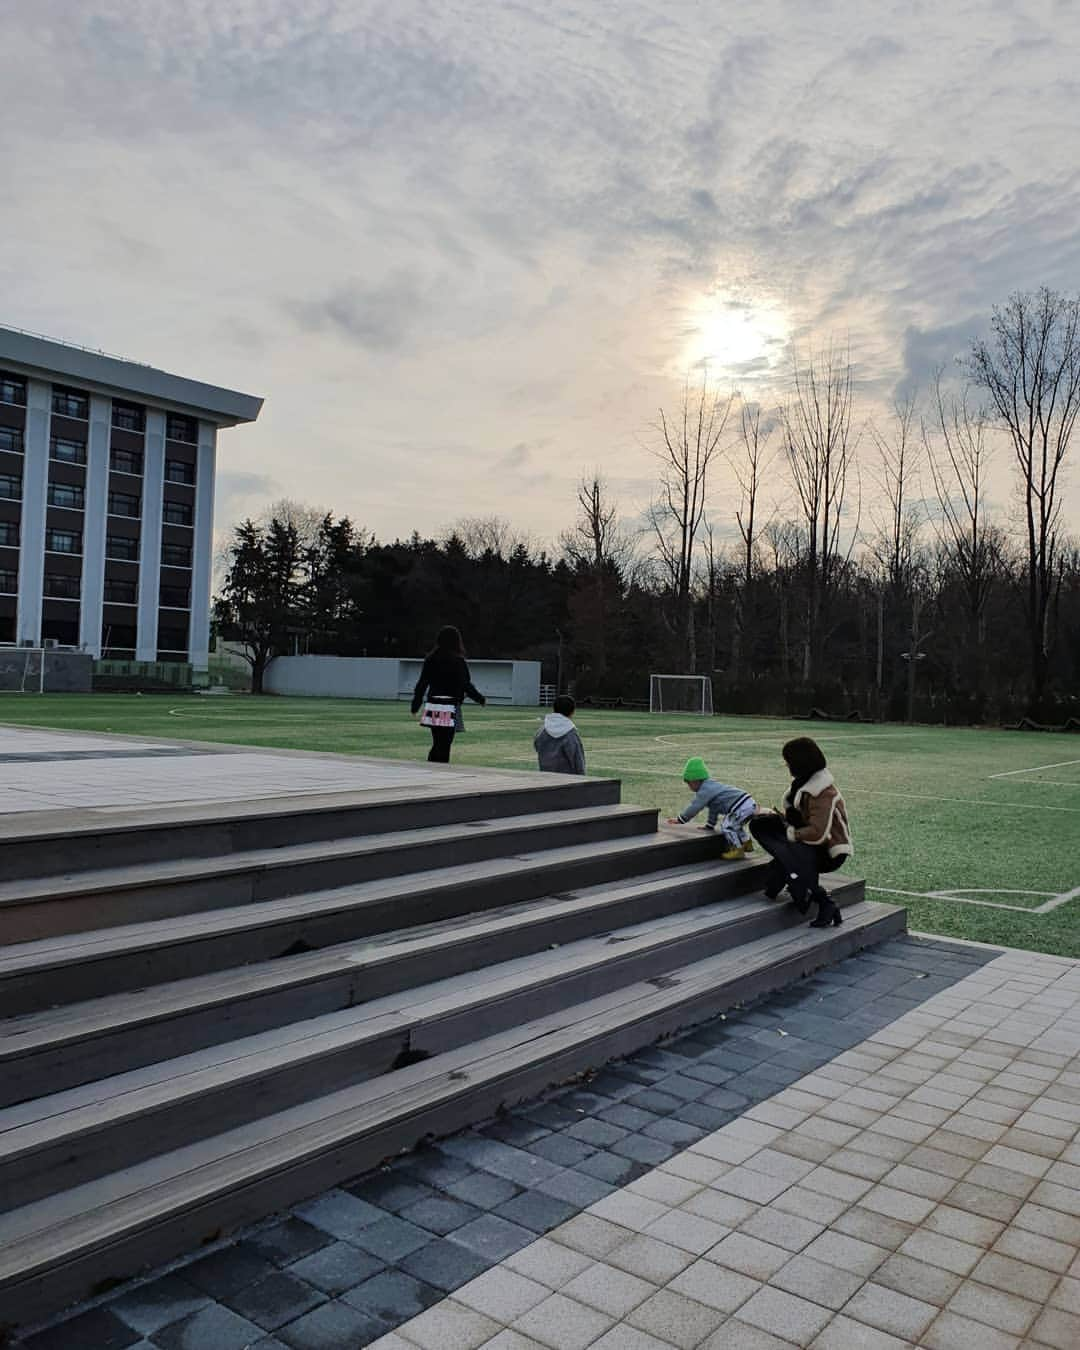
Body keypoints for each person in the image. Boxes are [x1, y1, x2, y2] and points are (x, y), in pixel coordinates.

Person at [750, 736, 853, 928]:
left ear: (799, 762)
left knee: (794, 856)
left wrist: (790, 833)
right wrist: (775, 816)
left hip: (827, 850)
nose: (786, 765)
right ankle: (790, 876)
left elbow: (817, 832)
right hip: (806, 842)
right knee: (760, 824)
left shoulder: (823, 793)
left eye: (788, 761)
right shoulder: (803, 783)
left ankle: (824, 901)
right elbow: (797, 820)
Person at [410, 626, 485, 763]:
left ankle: (431, 768)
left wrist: (415, 704)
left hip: (433, 704)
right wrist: (479, 699)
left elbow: (422, 684)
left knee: (437, 741)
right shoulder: (458, 660)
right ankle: (440, 770)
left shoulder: (431, 659)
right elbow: (465, 684)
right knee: (445, 743)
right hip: (450, 705)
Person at [666, 757, 757, 862]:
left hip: (741, 805)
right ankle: (747, 843)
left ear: (695, 781)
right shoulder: (711, 787)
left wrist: (681, 819)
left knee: (727, 826)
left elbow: (695, 806)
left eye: (689, 783)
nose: (689, 787)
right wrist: (710, 825)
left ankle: (737, 849)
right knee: (735, 825)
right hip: (748, 803)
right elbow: (714, 809)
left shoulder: (705, 790)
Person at [534, 694, 586, 775]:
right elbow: (578, 761)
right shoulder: (570, 732)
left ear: (554, 709)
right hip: (567, 780)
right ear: (572, 712)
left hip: (545, 777)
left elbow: (537, 747)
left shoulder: (542, 730)